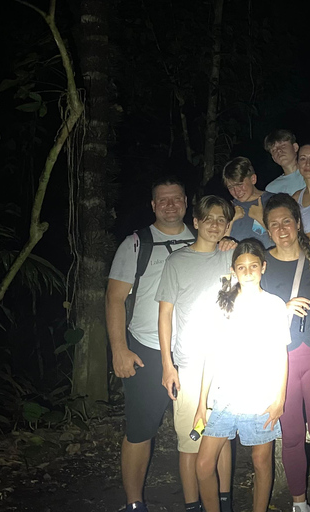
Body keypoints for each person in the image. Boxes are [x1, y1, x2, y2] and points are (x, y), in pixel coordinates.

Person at [106, 175, 195, 512]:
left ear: (186, 202)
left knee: (199, 426)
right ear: (153, 205)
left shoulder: (205, 239)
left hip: (193, 351)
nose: (170, 205)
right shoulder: (136, 244)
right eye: (163, 200)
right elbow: (115, 299)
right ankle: (134, 503)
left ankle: (199, 499)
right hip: (146, 350)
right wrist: (119, 349)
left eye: (176, 198)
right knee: (140, 430)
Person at [194, 239, 290, 512]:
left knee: (261, 461)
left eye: (253, 266)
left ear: (263, 267)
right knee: (203, 464)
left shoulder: (273, 305)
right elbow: (211, 353)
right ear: (233, 270)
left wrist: (279, 398)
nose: (248, 271)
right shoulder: (224, 304)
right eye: (241, 266)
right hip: (225, 397)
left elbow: (280, 354)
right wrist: (202, 403)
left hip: (261, 397)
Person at [155, 196, 236, 512]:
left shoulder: (230, 258)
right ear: (197, 222)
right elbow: (165, 315)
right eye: (210, 218)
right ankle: (193, 506)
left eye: (222, 220)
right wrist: (167, 365)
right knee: (189, 443)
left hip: (224, 366)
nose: (215, 225)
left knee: (222, 439)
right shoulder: (177, 262)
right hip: (188, 364)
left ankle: (224, 502)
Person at [260, 194, 310, 512]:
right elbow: (250, 313)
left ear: (298, 223)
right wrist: (282, 310)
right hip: (281, 361)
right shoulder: (261, 263)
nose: (281, 229)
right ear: (267, 229)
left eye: (287, 221)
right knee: (291, 435)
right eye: (274, 224)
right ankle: (298, 503)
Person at [222, 156, 274, 247]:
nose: (236, 191)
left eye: (240, 184)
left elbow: (287, 239)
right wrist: (232, 219)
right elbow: (219, 244)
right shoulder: (228, 208)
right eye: (230, 187)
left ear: (253, 179)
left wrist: (262, 219)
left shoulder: (275, 201)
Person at [264, 129, 306, 195]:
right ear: (273, 158)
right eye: (274, 150)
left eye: (283, 146)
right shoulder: (271, 189)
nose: (279, 151)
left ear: (295, 147)